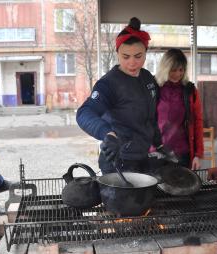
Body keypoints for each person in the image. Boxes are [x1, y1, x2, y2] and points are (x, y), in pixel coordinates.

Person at [76, 17, 169, 173]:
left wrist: (159, 144)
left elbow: (151, 117)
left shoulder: (148, 78)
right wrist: (107, 134)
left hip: (143, 156)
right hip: (118, 160)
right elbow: (84, 113)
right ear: (117, 53)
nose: (132, 63)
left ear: (146, 53)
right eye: (126, 57)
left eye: (138, 56)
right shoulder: (108, 84)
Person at [154, 48, 204, 169]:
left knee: (183, 187)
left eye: (181, 70)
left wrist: (198, 155)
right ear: (165, 68)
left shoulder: (190, 90)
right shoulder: (153, 88)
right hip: (156, 152)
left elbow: (197, 122)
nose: (177, 74)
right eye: (173, 70)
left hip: (182, 153)